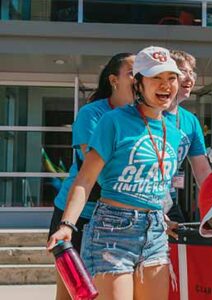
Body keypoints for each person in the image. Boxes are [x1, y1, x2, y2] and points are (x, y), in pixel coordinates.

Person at [47, 46, 183, 300]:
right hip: (112, 229)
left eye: (171, 78)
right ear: (138, 83)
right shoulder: (113, 121)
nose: (166, 85)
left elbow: (157, 185)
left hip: (154, 232)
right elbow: (85, 178)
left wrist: (164, 218)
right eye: (156, 78)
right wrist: (67, 225)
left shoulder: (173, 132)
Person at [47, 52, 135, 300]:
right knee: (73, 292)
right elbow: (96, 169)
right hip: (78, 216)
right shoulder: (92, 114)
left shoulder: (141, 116)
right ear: (114, 80)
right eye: (131, 72)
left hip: (118, 219)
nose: (138, 78)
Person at [164, 50, 212, 225]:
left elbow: (202, 170)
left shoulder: (190, 121)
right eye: (183, 71)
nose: (189, 78)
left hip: (169, 202)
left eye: (192, 73)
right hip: (138, 203)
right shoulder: (146, 114)